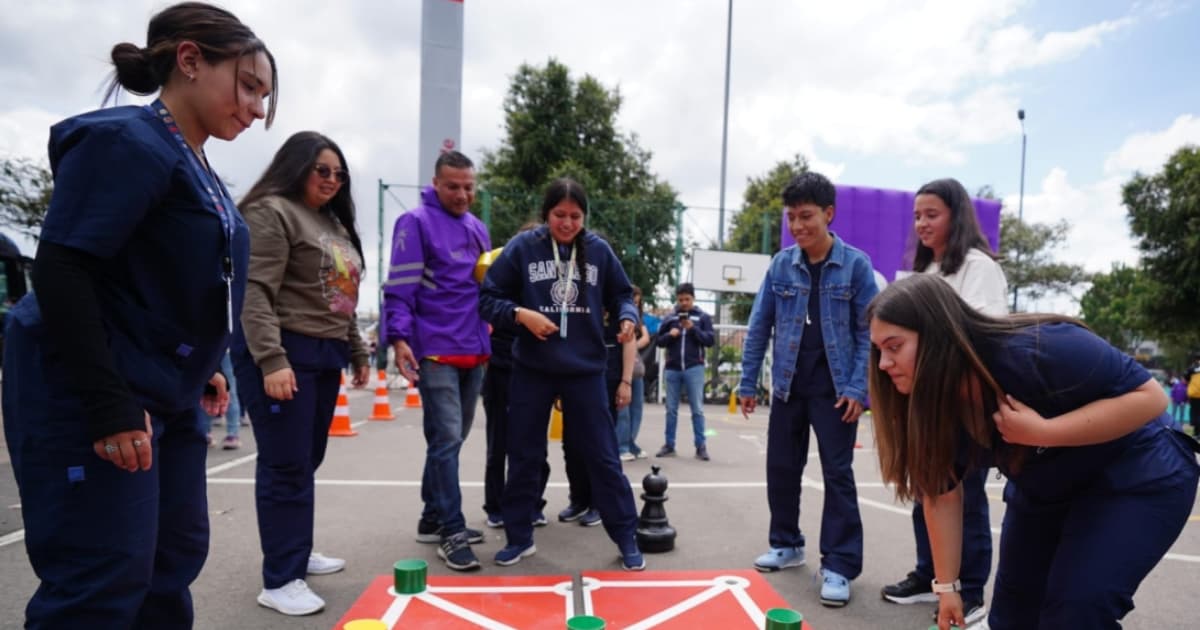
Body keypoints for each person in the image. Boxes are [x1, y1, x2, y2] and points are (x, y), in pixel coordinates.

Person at [0, 4, 275, 627]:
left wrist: (203, 364)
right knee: (102, 575)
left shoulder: (196, 161)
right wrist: (107, 404)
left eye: (264, 95)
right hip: (98, 392)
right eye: (250, 86)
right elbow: (64, 268)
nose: (258, 109)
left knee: (168, 560)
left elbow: (156, 279)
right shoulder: (127, 141)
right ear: (189, 60)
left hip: (165, 394)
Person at [868, 274, 1200, 630]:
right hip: (1047, 487)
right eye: (878, 351)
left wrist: (1044, 432)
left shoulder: (1038, 349)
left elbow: (1150, 399)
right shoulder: (932, 405)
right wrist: (948, 588)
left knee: (1076, 611)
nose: (884, 363)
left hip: (1136, 472)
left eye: (894, 346)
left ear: (937, 334)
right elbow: (942, 495)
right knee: (1012, 617)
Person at [232, 132, 369, 615]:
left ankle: (296, 549)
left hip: (324, 352)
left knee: (306, 458)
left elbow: (341, 297)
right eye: (322, 170)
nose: (332, 180)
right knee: (285, 462)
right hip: (285, 350)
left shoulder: (332, 222)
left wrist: (356, 351)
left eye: (339, 173)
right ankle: (280, 578)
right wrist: (271, 360)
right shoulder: (271, 211)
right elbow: (254, 292)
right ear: (296, 167)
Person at [479, 177, 645, 571]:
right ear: (546, 213)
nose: (567, 223)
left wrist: (625, 316)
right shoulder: (523, 248)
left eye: (575, 216)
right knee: (523, 455)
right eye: (559, 215)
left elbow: (623, 295)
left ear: (584, 216)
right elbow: (488, 299)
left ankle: (626, 536)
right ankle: (520, 537)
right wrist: (522, 315)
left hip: (584, 370)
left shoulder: (599, 252)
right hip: (532, 369)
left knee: (603, 456)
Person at [738, 171, 876, 607]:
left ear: (828, 214)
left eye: (806, 216)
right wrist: (746, 382)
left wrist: (858, 387)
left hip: (835, 391)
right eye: (791, 218)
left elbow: (868, 331)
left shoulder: (856, 265)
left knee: (838, 475)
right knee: (781, 467)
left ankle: (838, 564)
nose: (797, 226)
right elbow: (760, 325)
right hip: (787, 388)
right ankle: (786, 543)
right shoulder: (781, 264)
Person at [880, 178, 1008, 625]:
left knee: (964, 498)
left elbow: (987, 331)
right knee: (928, 494)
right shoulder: (927, 273)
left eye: (931, 214)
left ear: (957, 215)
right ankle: (931, 575)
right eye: (917, 216)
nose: (922, 223)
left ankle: (970, 590)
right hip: (929, 405)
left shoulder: (978, 267)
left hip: (962, 407)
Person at [383, 150, 491, 571]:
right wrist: (399, 338)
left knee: (451, 440)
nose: (462, 194)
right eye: (453, 186)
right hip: (435, 351)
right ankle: (451, 528)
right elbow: (400, 287)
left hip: (475, 350)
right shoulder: (415, 223)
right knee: (446, 440)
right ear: (435, 183)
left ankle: (431, 517)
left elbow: (486, 287)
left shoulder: (479, 227)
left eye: (468, 186)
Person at [557, 300, 638, 526]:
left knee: (600, 446)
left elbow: (630, 343)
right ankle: (579, 499)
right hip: (576, 381)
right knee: (571, 444)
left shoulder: (618, 306)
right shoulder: (578, 301)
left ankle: (599, 503)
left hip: (608, 383)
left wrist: (626, 382)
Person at [655, 283, 715, 460]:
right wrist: (670, 335)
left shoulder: (702, 317)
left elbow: (710, 340)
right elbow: (658, 341)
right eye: (680, 299)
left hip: (694, 368)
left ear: (693, 299)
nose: (684, 303)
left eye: (687, 299)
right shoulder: (670, 318)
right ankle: (669, 444)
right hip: (673, 368)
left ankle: (700, 446)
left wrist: (692, 328)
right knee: (671, 409)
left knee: (697, 409)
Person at [617, 285, 652, 460]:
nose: (635, 306)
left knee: (636, 408)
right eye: (633, 301)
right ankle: (621, 446)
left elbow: (646, 337)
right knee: (623, 410)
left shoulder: (638, 319)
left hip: (637, 370)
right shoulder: (619, 316)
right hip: (623, 369)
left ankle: (631, 443)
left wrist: (632, 347)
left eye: (637, 303)